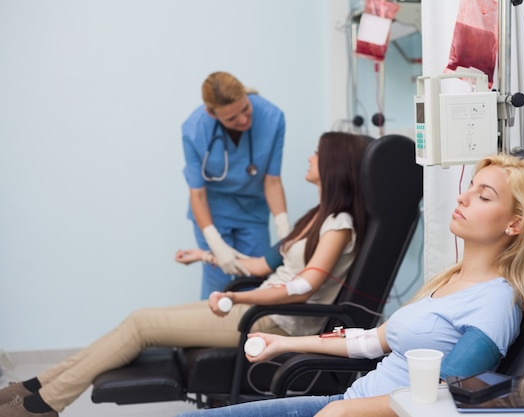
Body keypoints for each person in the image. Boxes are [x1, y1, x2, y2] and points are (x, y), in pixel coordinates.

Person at [0, 132, 370, 417]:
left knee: (143, 324)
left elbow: (303, 288)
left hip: (274, 323)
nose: (310, 157)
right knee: (139, 319)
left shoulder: (339, 225)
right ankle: (35, 387)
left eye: (318, 154)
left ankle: (43, 404)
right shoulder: (315, 217)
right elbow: (260, 266)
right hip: (263, 312)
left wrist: (237, 297)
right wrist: (205, 255)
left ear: (334, 165)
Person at [171, 153, 524, 417]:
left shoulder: (495, 303)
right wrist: (286, 344)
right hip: (347, 403)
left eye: (483, 195)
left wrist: (346, 410)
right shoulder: (452, 280)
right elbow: (370, 341)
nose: (463, 196)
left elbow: (442, 395)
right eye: (470, 185)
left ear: (514, 224)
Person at [181, 71, 290, 299]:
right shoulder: (193, 130)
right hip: (213, 212)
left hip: (252, 212)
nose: (243, 120)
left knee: (254, 283)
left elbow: (272, 181)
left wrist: (285, 230)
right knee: (217, 286)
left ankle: (251, 336)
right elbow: (197, 195)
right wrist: (214, 243)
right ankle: (211, 334)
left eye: (245, 109)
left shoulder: (272, 117)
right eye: (231, 118)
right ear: (211, 114)